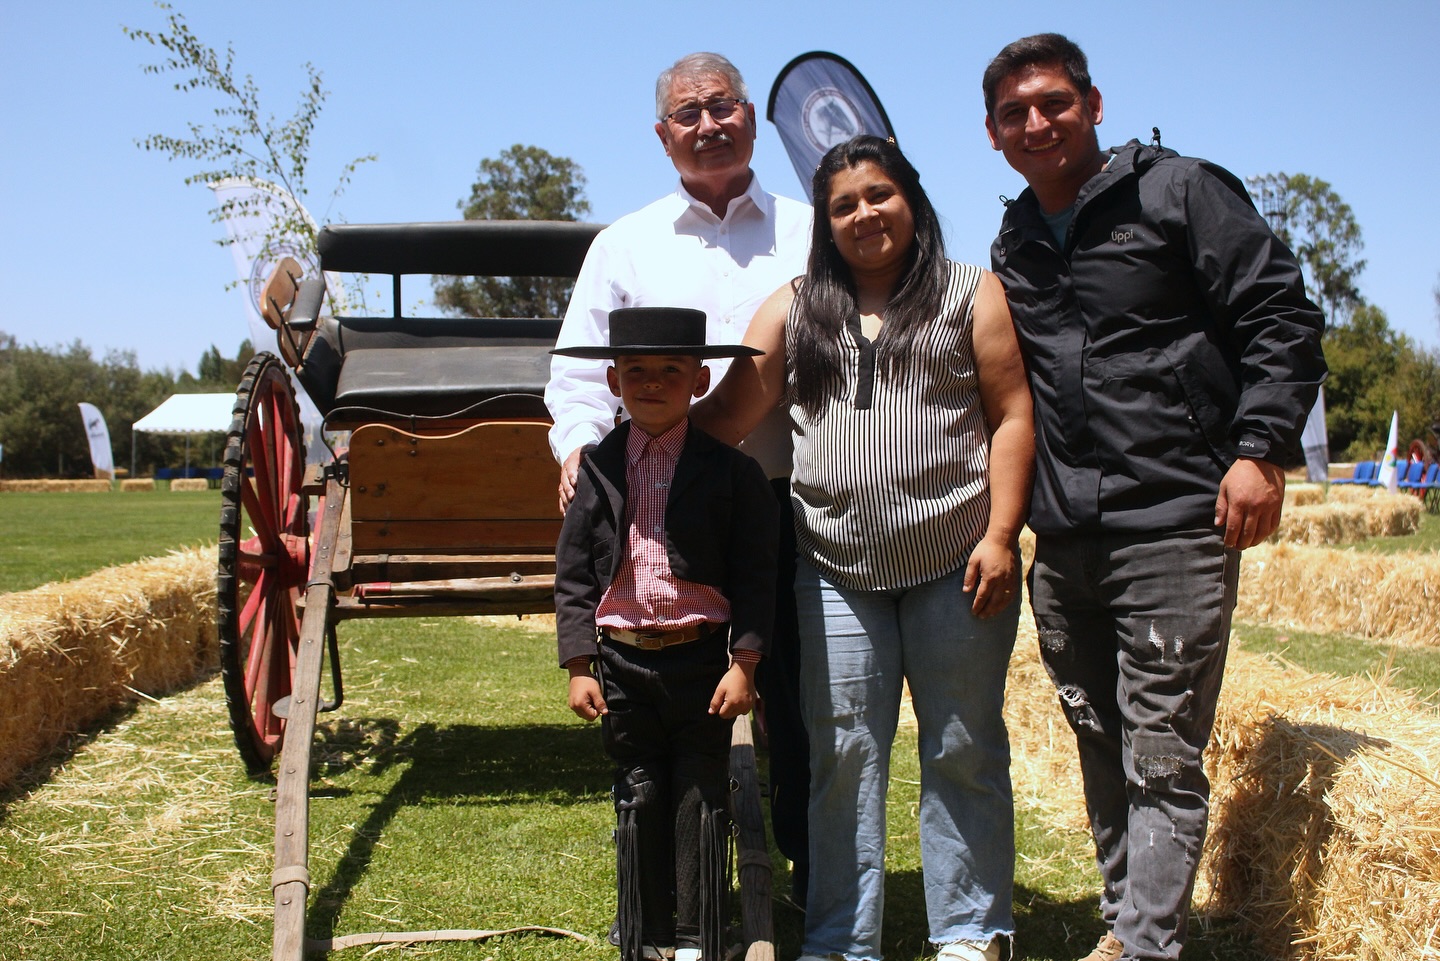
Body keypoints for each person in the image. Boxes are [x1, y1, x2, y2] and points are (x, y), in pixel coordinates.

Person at [981, 33, 1328, 961]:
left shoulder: (1179, 192)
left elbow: (1280, 313)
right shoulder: (1012, 236)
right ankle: (1125, 922)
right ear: (992, 134)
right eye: (1015, 112)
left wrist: (1261, 451)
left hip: (1175, 518)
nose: (1037, 122)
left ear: (1094, 106)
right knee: (1100, 738)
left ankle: (1145, 948)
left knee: (1162, 746)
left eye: (1054, 102)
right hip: (1065, 534)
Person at [693, 135, 1034, 961]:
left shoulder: (970, 294)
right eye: (844, 204)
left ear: (910, 200)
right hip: (834, 570)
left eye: (879, 195)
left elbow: (1014, 414)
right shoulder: (793, 307)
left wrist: (1001, 533)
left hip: (960, 564)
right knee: (840, 752)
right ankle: (843, 941)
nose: (863, 214)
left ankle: (972, 929)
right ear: (826, 221)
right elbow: (724, 421)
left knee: (962, 744)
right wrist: (631, 446)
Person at [544, 51, 814, 901]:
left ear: (749, 116)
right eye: (688, 114)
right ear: (663, 136)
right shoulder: (625, 242)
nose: (708, 125)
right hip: (666, 511)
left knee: (807, 700)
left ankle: (808, 872)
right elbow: (579, 376)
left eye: (722, 105)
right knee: (686, 709)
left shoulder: (811, 231)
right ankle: (679, 890)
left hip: (800, 496)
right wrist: (582, 454)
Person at [554, 307, 780, 961]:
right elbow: (572, 575)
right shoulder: (596, 469)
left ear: (701, 379)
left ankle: (697, 934)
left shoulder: (731, 472)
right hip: (622, 665)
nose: (652, 383)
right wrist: (578, 664)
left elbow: (756, 574)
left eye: (670, 371)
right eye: (636, 371)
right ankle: (644, 929)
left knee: (699, 791)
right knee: (639, 788)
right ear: (612, 377)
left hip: (702, 664)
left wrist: (745, 664)